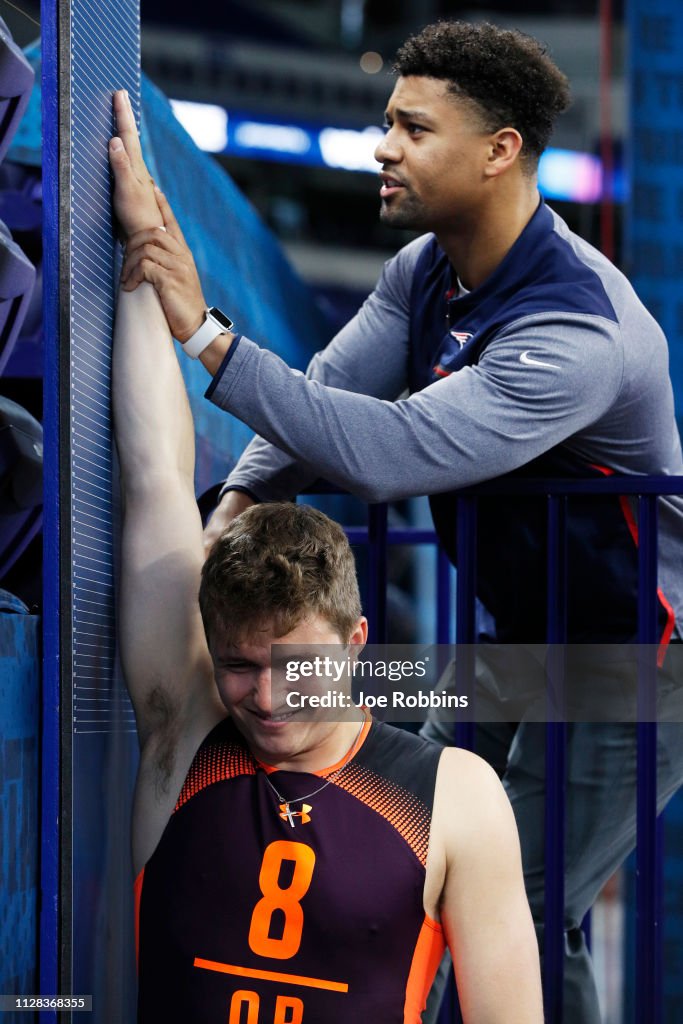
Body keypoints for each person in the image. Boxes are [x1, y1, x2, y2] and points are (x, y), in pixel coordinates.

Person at [110, 19, 683, 1023]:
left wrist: (202, 331)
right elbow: (325, 397)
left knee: (533, 899)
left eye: (413, 129)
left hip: (640, 656)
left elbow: (381, 454)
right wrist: (234, 509)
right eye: (386, 123)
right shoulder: (423, 270)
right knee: (409, 812)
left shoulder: (577, 333)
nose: (383, 146)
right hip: (518, 639)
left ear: (499, 150)